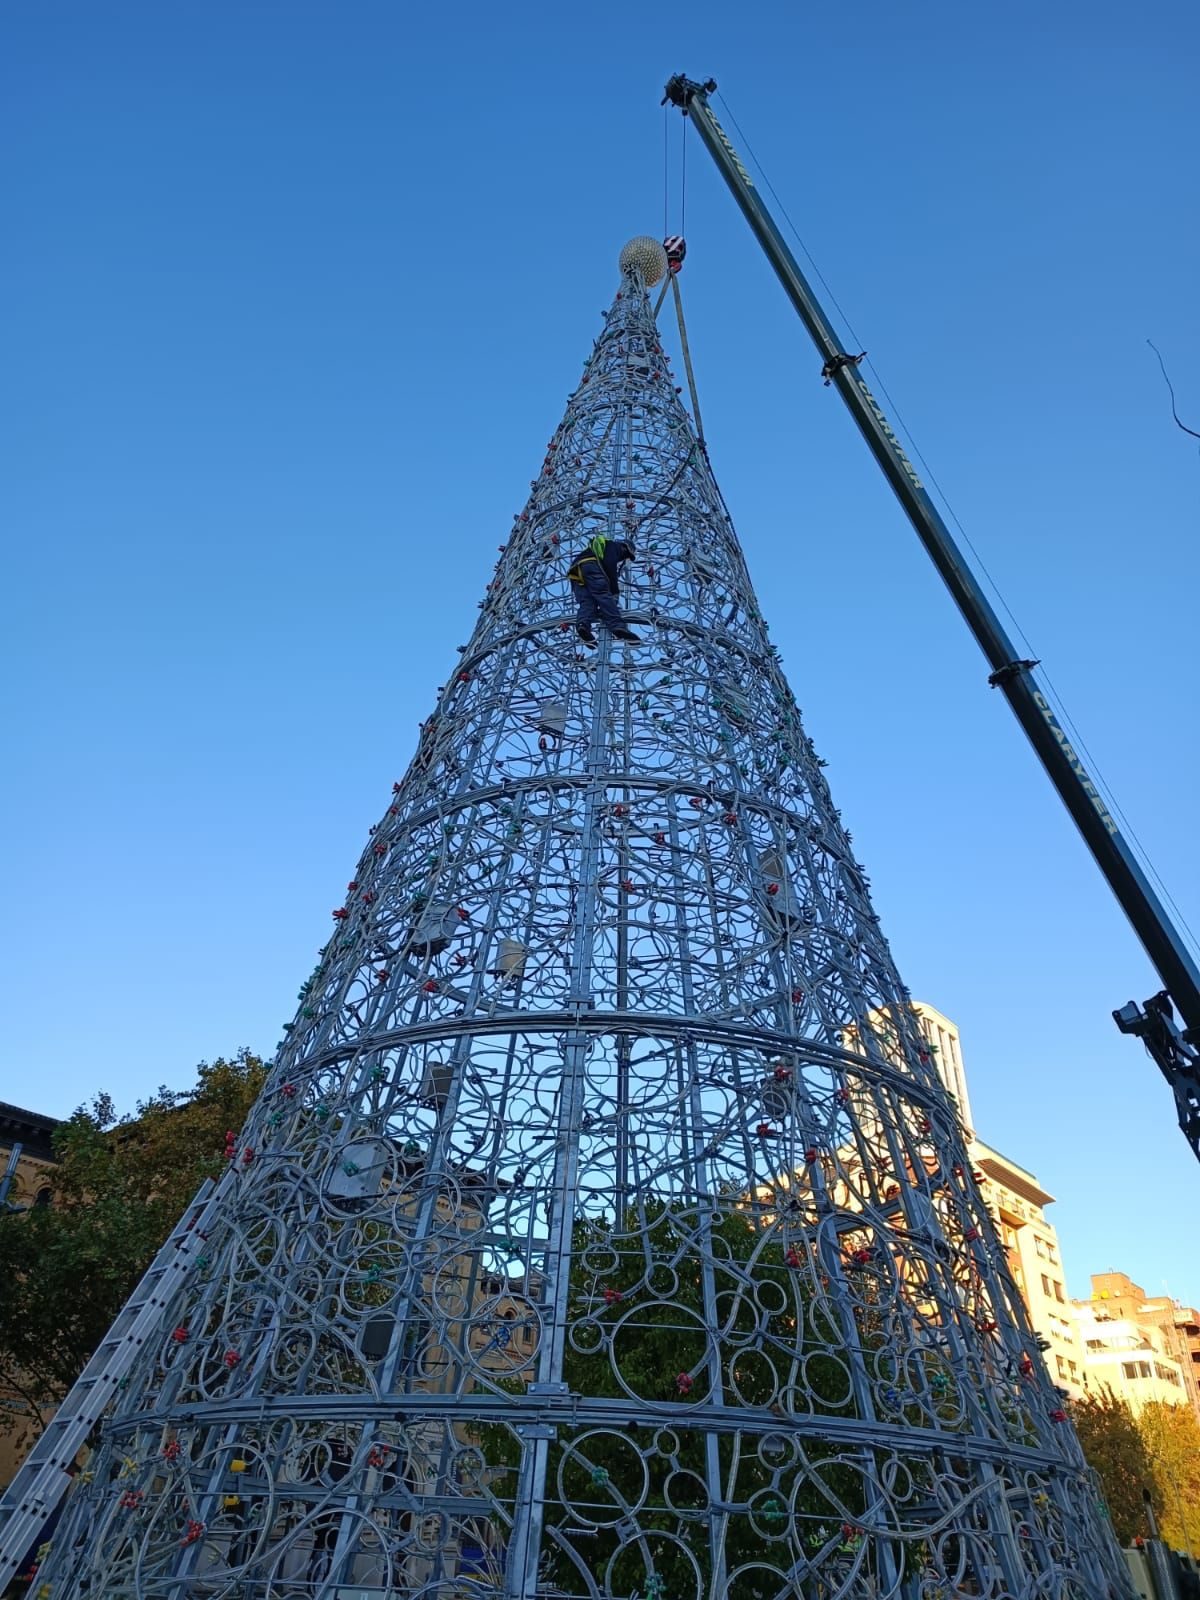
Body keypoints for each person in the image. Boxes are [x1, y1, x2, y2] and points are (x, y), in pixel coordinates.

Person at [567, 534, 639, 644]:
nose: (624, 557)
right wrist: (614, 591)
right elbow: (609, 567)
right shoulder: (613, 546)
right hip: (591, 565)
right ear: (624, 547)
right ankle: (617, 626)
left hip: (575, 571)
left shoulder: (601, 547)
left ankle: (583, 626)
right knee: (604, 596)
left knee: (587, 602)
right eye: (627, 554)